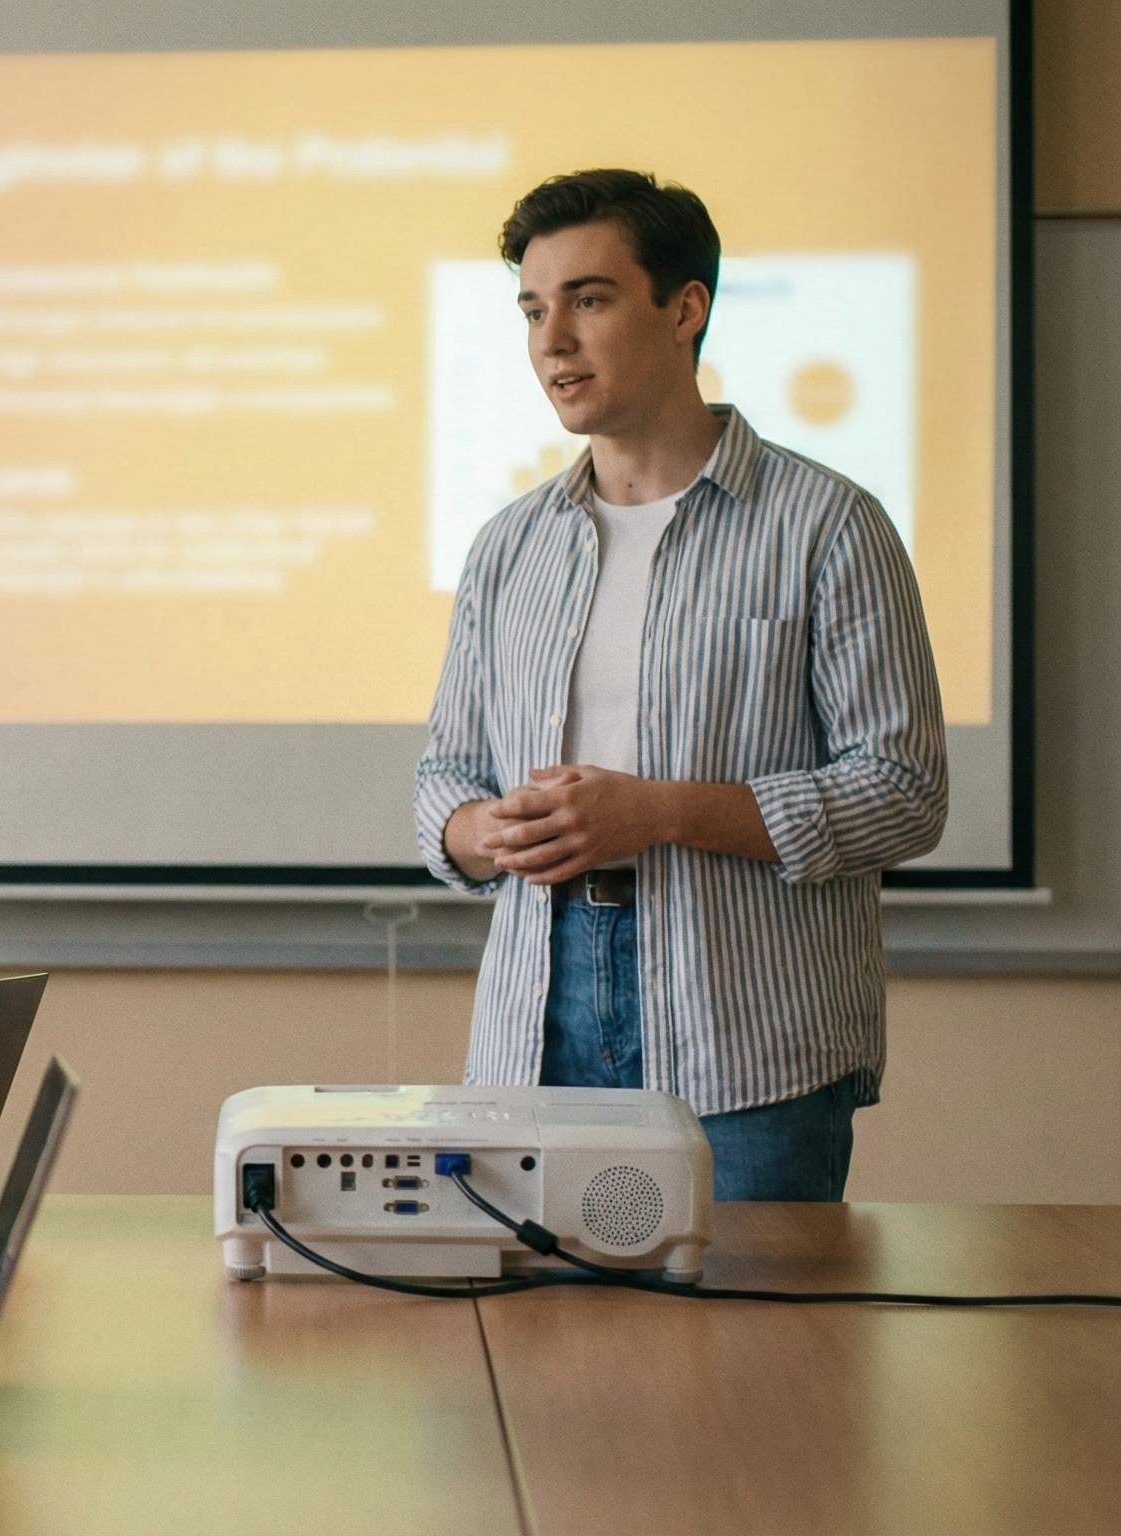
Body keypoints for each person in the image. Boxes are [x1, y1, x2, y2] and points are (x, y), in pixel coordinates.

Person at [417, 170, 948, 1202]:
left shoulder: (826, 525)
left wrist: (656, 813)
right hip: (534, 1030)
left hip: (747, 1039)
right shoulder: (509, 546)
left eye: (588, 299)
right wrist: (484, 830)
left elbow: (903, 793)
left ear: (684, 308)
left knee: (751, 1316)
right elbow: (444, 776)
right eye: (532, 310)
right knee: (537, 1316)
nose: (551, 341)